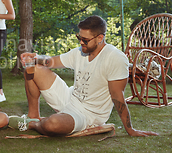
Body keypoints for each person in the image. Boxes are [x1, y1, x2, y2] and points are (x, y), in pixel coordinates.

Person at [16, 15, 158, 137]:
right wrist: (35, 57)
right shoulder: (80, 51)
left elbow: (118, 96)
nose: (81, 42)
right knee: (31, 68)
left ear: (100, 38)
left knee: (52, 124)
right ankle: (33, 116)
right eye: (79, 37)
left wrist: (130, 129)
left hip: (88, 115)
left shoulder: (115, 58)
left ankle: (35, 125)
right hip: (69, 97)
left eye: (85, 39)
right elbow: (51, 61)